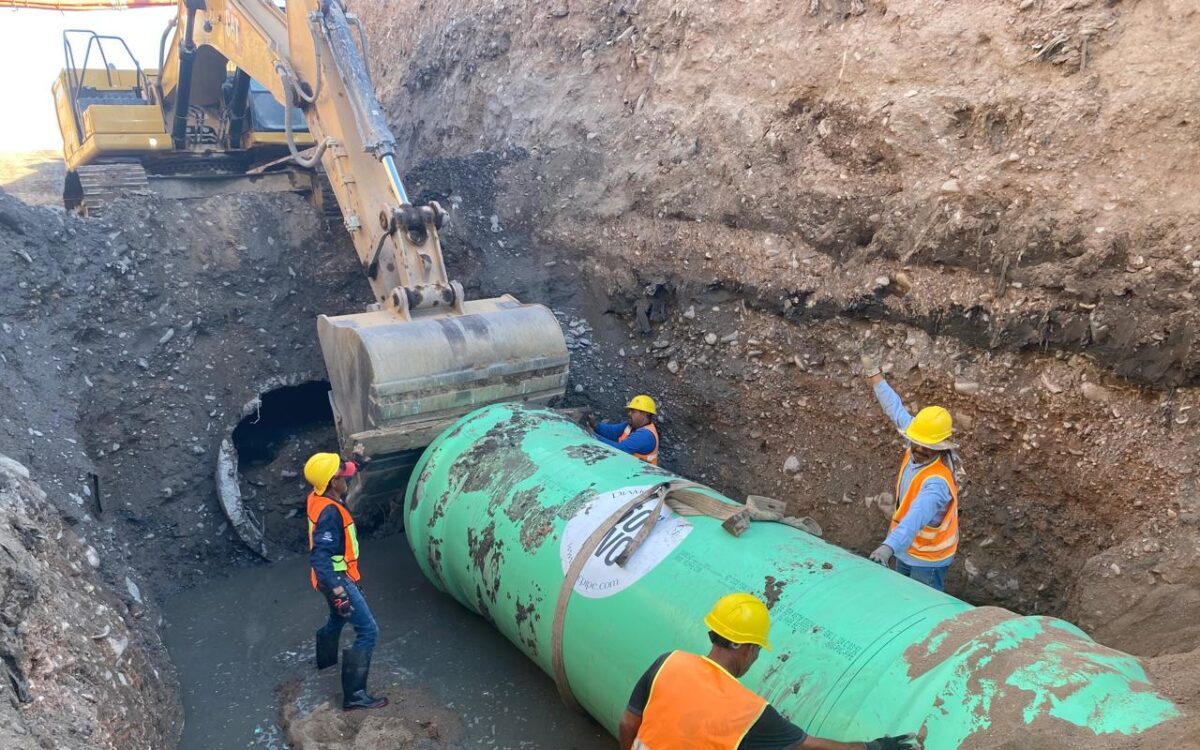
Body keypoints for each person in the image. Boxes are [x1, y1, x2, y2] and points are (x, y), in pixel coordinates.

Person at [618, 593, 920, 750]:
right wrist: (872, 747)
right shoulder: (748, 711)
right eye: (758, 649)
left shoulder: (669, 662)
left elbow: (628, 723)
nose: (755, 658)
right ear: (743, 647)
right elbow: (810, 746)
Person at [861, 352, 960, 592]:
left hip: (928, 558)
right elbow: (894, 409)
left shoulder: (937, 483)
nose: (918, 449)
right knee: (900, 595)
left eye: (927, 446)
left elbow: (916, 516)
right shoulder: (916, 441)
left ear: (940, 446)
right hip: (905, 548)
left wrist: (888, 548)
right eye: (916, 442)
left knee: (919, 603)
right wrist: (875, 375)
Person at [304, 450, 388, 711]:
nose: (347, 478)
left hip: (325, 579)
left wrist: (357, 463)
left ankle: (325, 662)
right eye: (342, 475)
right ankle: (355, 696)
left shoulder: (317, 496)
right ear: (333, 482)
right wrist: (338, 591)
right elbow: (320, 556)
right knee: (368, 631)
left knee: (337, 619)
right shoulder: (330, 513)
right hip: (335, 578)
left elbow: (344, 470)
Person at [588, 394, 661, 464]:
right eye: (629, 411)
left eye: (633, 411)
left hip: (641, 471)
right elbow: (612, 432)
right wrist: (595, 425)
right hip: (628, 466)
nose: (629, 413)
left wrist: (593, 436)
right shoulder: (631, 425)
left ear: (645, 414)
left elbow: (620, 450)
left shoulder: (645, 435)